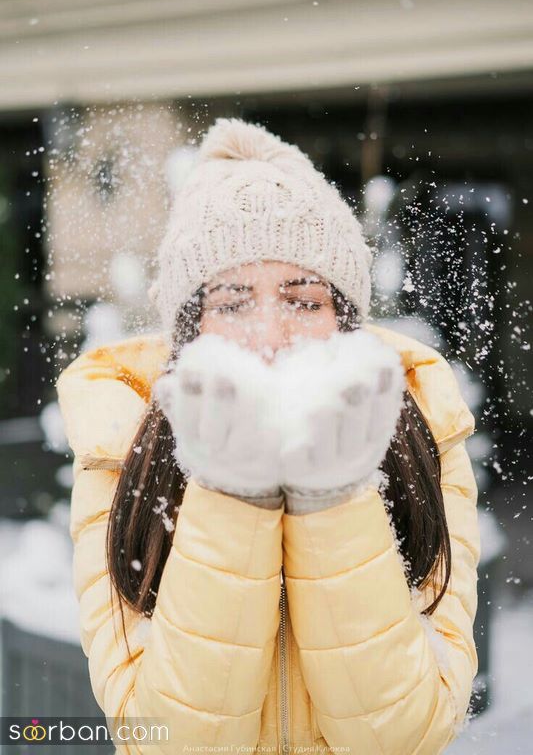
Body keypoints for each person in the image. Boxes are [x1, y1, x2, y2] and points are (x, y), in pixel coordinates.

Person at [56, 118, 481, 755]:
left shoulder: (422, 433)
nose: (269, 332)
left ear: (345, 320)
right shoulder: (119, 451)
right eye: (231, 301)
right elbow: (169, 742)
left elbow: (404, 735)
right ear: (190, 329)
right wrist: (232, 491)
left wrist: (334, 493)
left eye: (304, 300)